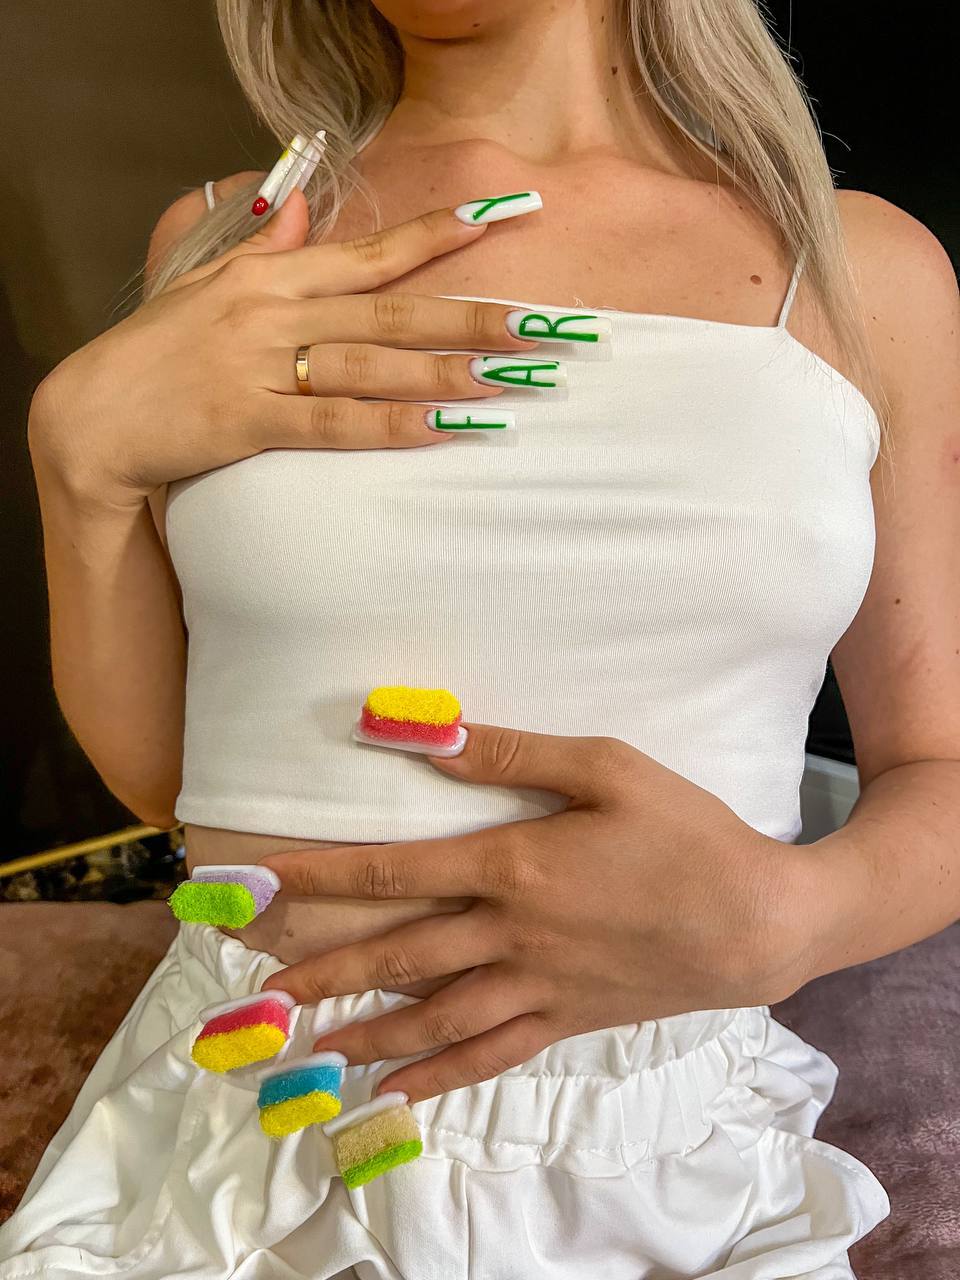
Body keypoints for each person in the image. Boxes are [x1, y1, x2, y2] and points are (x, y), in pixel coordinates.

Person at [4, 0, 959, 1276]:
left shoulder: (858, 270)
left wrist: (795, 916)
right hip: (248, 1146)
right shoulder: (231, 242)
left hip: (669, 1167)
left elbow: (941, 765)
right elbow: (182, 778)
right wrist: (76, 459)